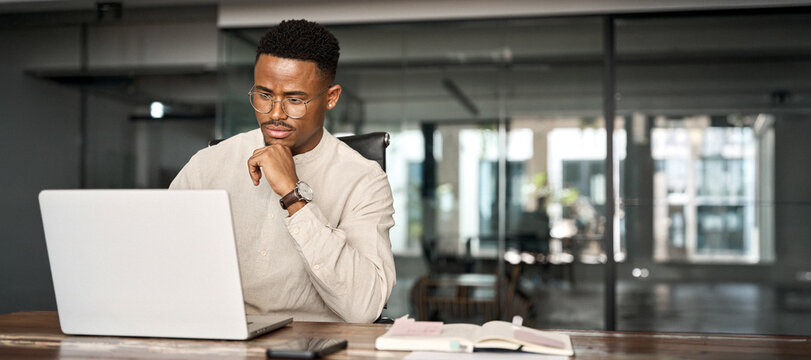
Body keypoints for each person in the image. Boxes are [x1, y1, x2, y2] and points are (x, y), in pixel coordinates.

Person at [170, 19, 395, 323]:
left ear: (331, 97)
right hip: (220, 333)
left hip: (314, 340)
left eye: (294, 99)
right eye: (264, 95)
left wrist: (294, 195)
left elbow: (364, 307)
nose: (275, 113)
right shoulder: (208, 165)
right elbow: (161, 261)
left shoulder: (364, 180)